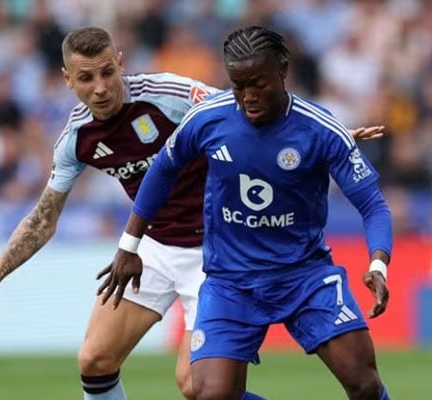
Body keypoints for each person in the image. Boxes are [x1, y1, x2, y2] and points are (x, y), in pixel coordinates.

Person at [0, 26, 384, 400]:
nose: (100, 87)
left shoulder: (172, 95)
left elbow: (247, 115)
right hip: (153, 245)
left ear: (120, 63)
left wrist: (331, 137)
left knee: (196, 388)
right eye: (85, 78)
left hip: (216, 249)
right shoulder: (76, 139)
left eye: (106, 72)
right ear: (67, 80)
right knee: (94, 360)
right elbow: (44, 217)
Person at [100, 25, 393, 400]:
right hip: (231, 281)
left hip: (304, 276)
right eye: (239, 86)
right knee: (208, 394)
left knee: (364, 384)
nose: (248, 97)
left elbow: (373, 204)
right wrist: (129, 244)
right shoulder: (208, 118)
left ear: (283, 70)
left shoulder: (319, 128)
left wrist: (378, 264)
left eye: (259, 84)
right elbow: (162, 170)